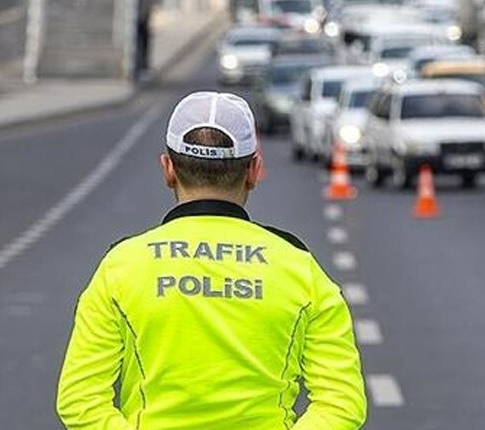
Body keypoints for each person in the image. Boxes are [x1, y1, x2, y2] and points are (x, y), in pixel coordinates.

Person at [56, 91, 367, 430]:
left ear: (168, 169)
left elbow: (79, 399)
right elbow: (342, 403)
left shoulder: (122, 266)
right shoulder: (300, 268)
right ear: (254, 170)